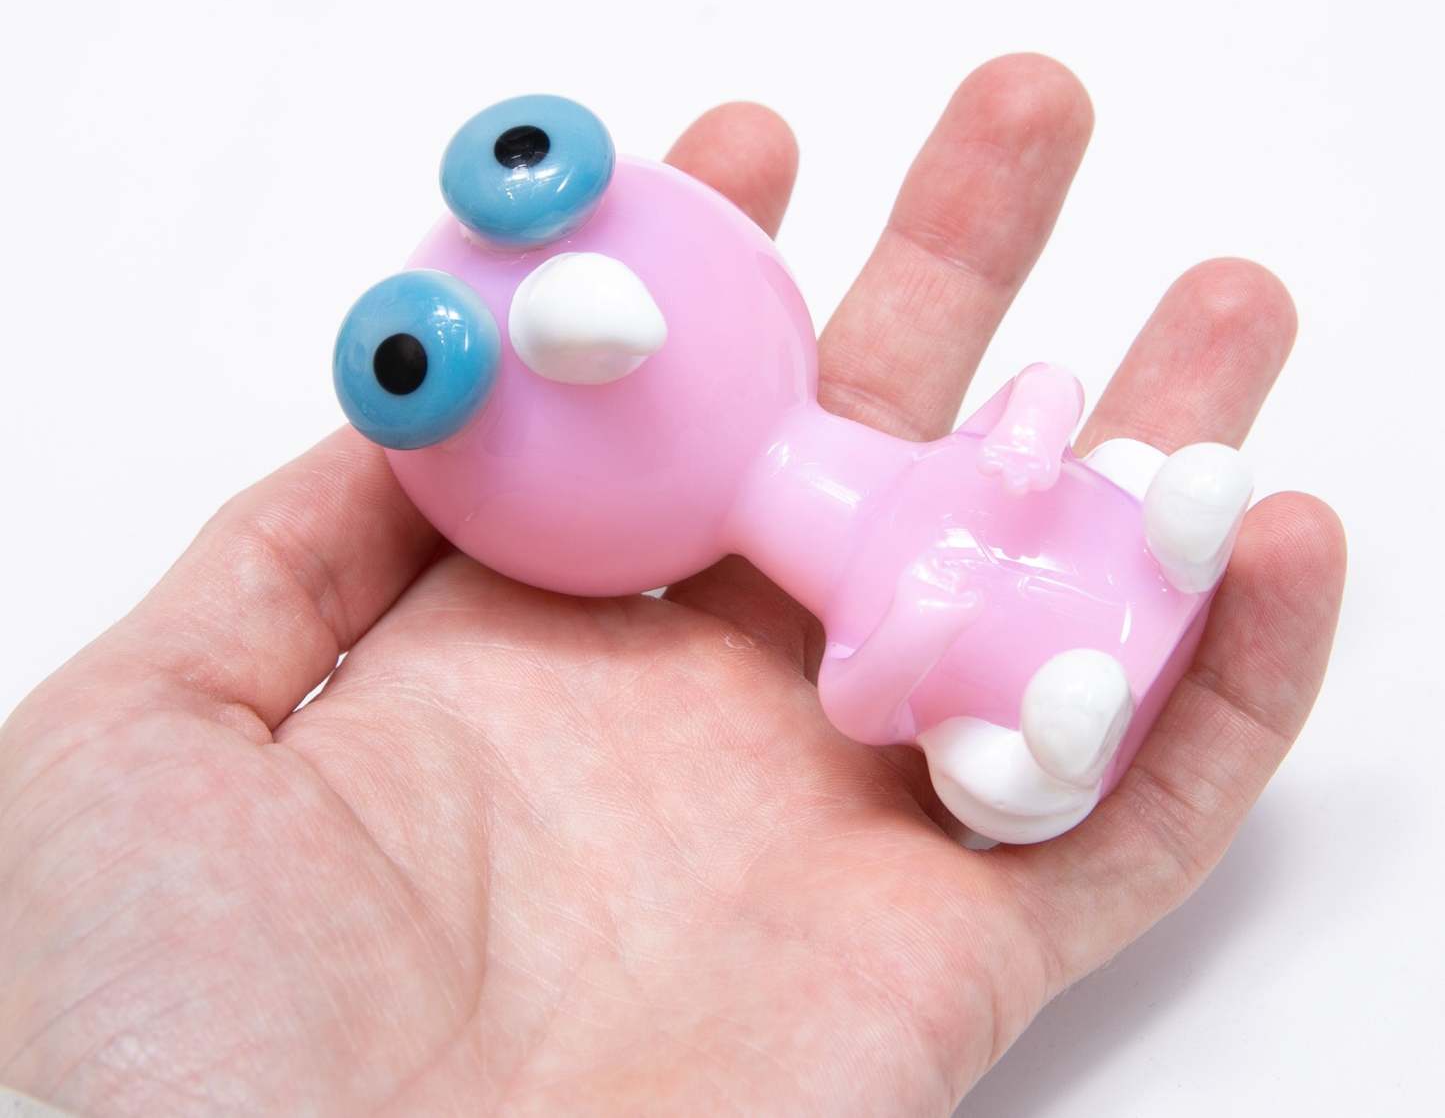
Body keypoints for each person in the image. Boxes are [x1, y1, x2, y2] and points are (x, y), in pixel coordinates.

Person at [0, 55, 1345, 1116]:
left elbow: (1039, 391)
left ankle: (1151, 546)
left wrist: (1024, 443)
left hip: (1015, 516)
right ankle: (1046, 732)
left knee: (1117, 483)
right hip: (957, 669)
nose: (601, 321)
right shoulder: (791, 598)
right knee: (989, 772)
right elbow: (859, 701)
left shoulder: (873, 435)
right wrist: (913, 632)